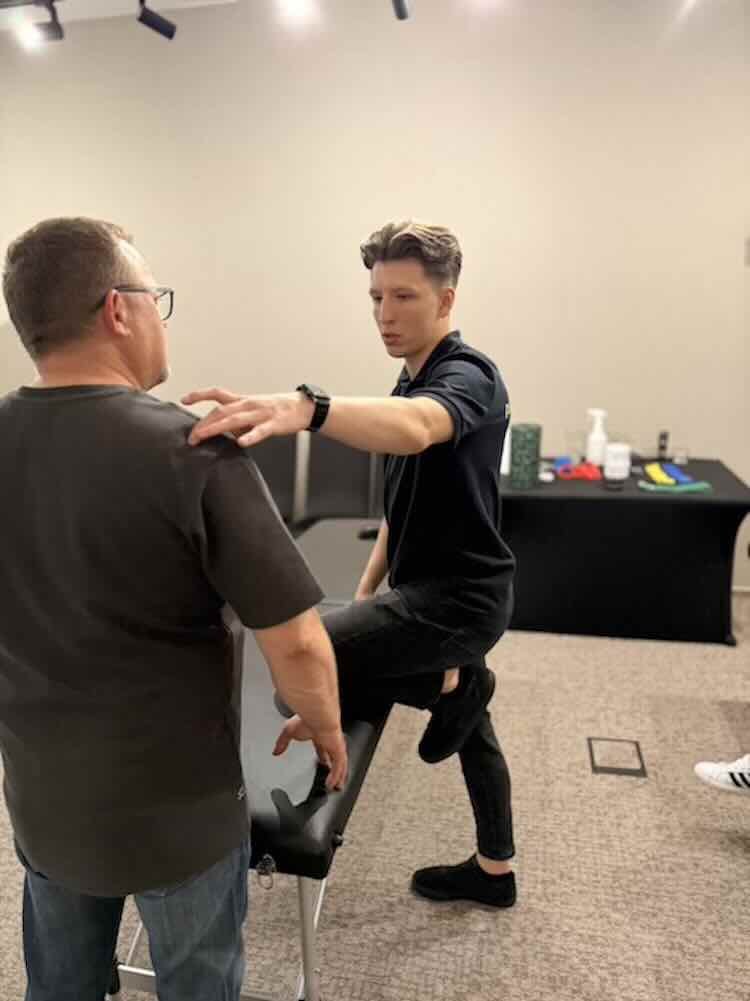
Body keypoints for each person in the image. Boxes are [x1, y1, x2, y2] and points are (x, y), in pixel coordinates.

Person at [0, 217, 347, 1001]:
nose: (161, 317)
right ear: (117, 310)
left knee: (58, 985)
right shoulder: (193, 450)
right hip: (179, 819)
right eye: (155, 298)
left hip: (45, 801)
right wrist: (325, 724)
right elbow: (297, 643)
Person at [184, 220, 518, 907]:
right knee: (470, 729)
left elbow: (418, 429)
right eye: (375, 297)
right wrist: (365, 591)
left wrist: (308, 409)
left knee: (295, 675)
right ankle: (495, 869)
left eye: (403, 297)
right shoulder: (410, 377)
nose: (384, 315)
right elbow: (402, 499)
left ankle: (452, 679)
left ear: (446, 301)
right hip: (428, 597)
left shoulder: (469, 376)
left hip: (459, 602)